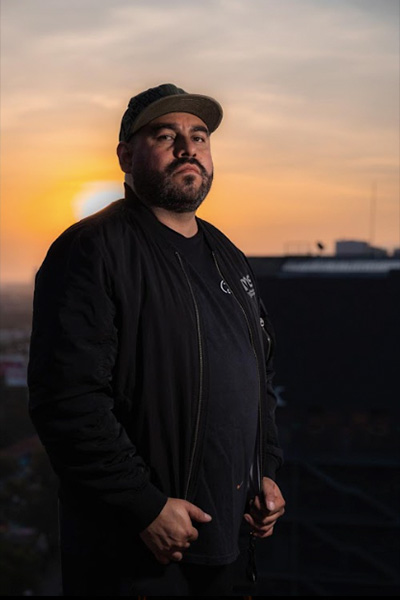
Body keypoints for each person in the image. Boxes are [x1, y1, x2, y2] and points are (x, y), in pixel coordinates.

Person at [28, 83, 285, 596]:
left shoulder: (228, 255)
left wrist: (267, 469)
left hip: (230, 544)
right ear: (126, 156)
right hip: (139, 554)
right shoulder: (91, 250)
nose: (189, 148)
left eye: (199, 137)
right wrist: (143, 505)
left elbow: (260, 377)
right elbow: (68, 400)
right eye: (166, 136)